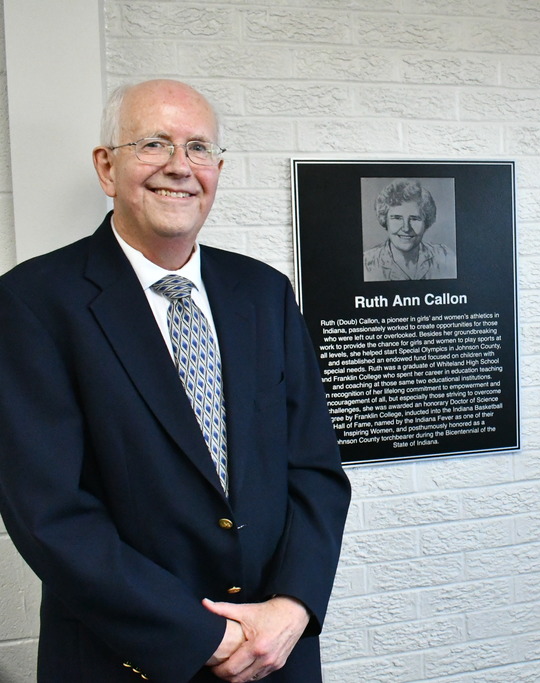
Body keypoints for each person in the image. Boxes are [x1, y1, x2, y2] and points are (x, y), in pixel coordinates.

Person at [0, 79, 351, 682]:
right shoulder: (34, 302)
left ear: (218, 168)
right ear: (106, 167)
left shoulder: (265, 293)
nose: (179, 168)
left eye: (198, 149)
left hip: (276, 656)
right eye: (154, 144)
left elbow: (315, 469)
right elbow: (48, 514)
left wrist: (293, 608)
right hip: (128, 660)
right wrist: (207, 636)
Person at [363, 178, 457, 281]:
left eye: (415, 219)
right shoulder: (366, 263)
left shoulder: (445, 257)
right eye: (397, 218)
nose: (406, 228)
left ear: (426, 222)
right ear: (385, 220)